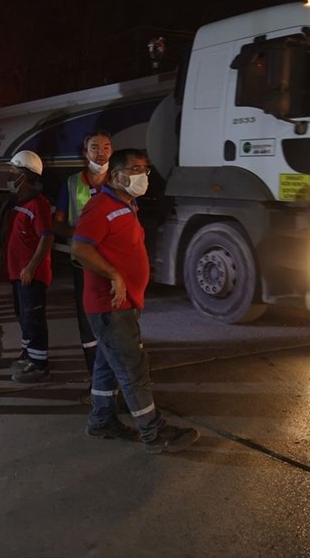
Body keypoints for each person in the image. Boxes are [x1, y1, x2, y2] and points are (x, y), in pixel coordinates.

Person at [71, 148, 199, 454]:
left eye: (145, 169)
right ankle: (154, 433)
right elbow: (80, 249)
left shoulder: (126, 205)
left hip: (120, 305)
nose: (142, 175)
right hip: (110, 307)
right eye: (134, 169)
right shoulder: (100, 206)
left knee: (106, 367)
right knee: (132, 369)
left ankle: (101, 421)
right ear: (116, 175)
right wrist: (115, 275)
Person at [54, 130, 113, 400]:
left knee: (115, 325)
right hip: (83, 267)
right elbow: (59, 223)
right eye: (94, 148)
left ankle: (115, 382)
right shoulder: (71, 183)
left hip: (113, 268)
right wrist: (80, 235)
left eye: (106, 147)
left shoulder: (120, 182)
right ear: (84, 153)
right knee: (88, 326)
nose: (100, 153)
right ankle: (96, 381)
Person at [4, 150, 54, 383]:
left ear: (24, 176)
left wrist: (31, 268)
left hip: (30, 275)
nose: (10, 176)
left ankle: (39, 363)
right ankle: (28, 354)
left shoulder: (38, 204)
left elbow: (46, 237)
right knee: (23, 314)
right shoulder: (21, 202)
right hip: (19, 273)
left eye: (13, 172)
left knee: (33, 316)